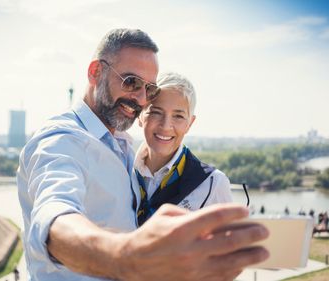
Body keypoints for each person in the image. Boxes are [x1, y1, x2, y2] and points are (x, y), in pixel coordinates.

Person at [17, 28, 269, 281]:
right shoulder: (62, 141)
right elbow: (55, 219)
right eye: (130, 82)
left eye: (148, 89)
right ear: (96, 72)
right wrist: (126, 257)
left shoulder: (120, 146)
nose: (140, 98)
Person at [134, 72, 233, 225]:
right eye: (156, 112)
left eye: (178, 116)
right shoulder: (122, 170)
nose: (166, 126)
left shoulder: (213, 183)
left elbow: (228, 245)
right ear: (140, 115)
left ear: (190, 124)